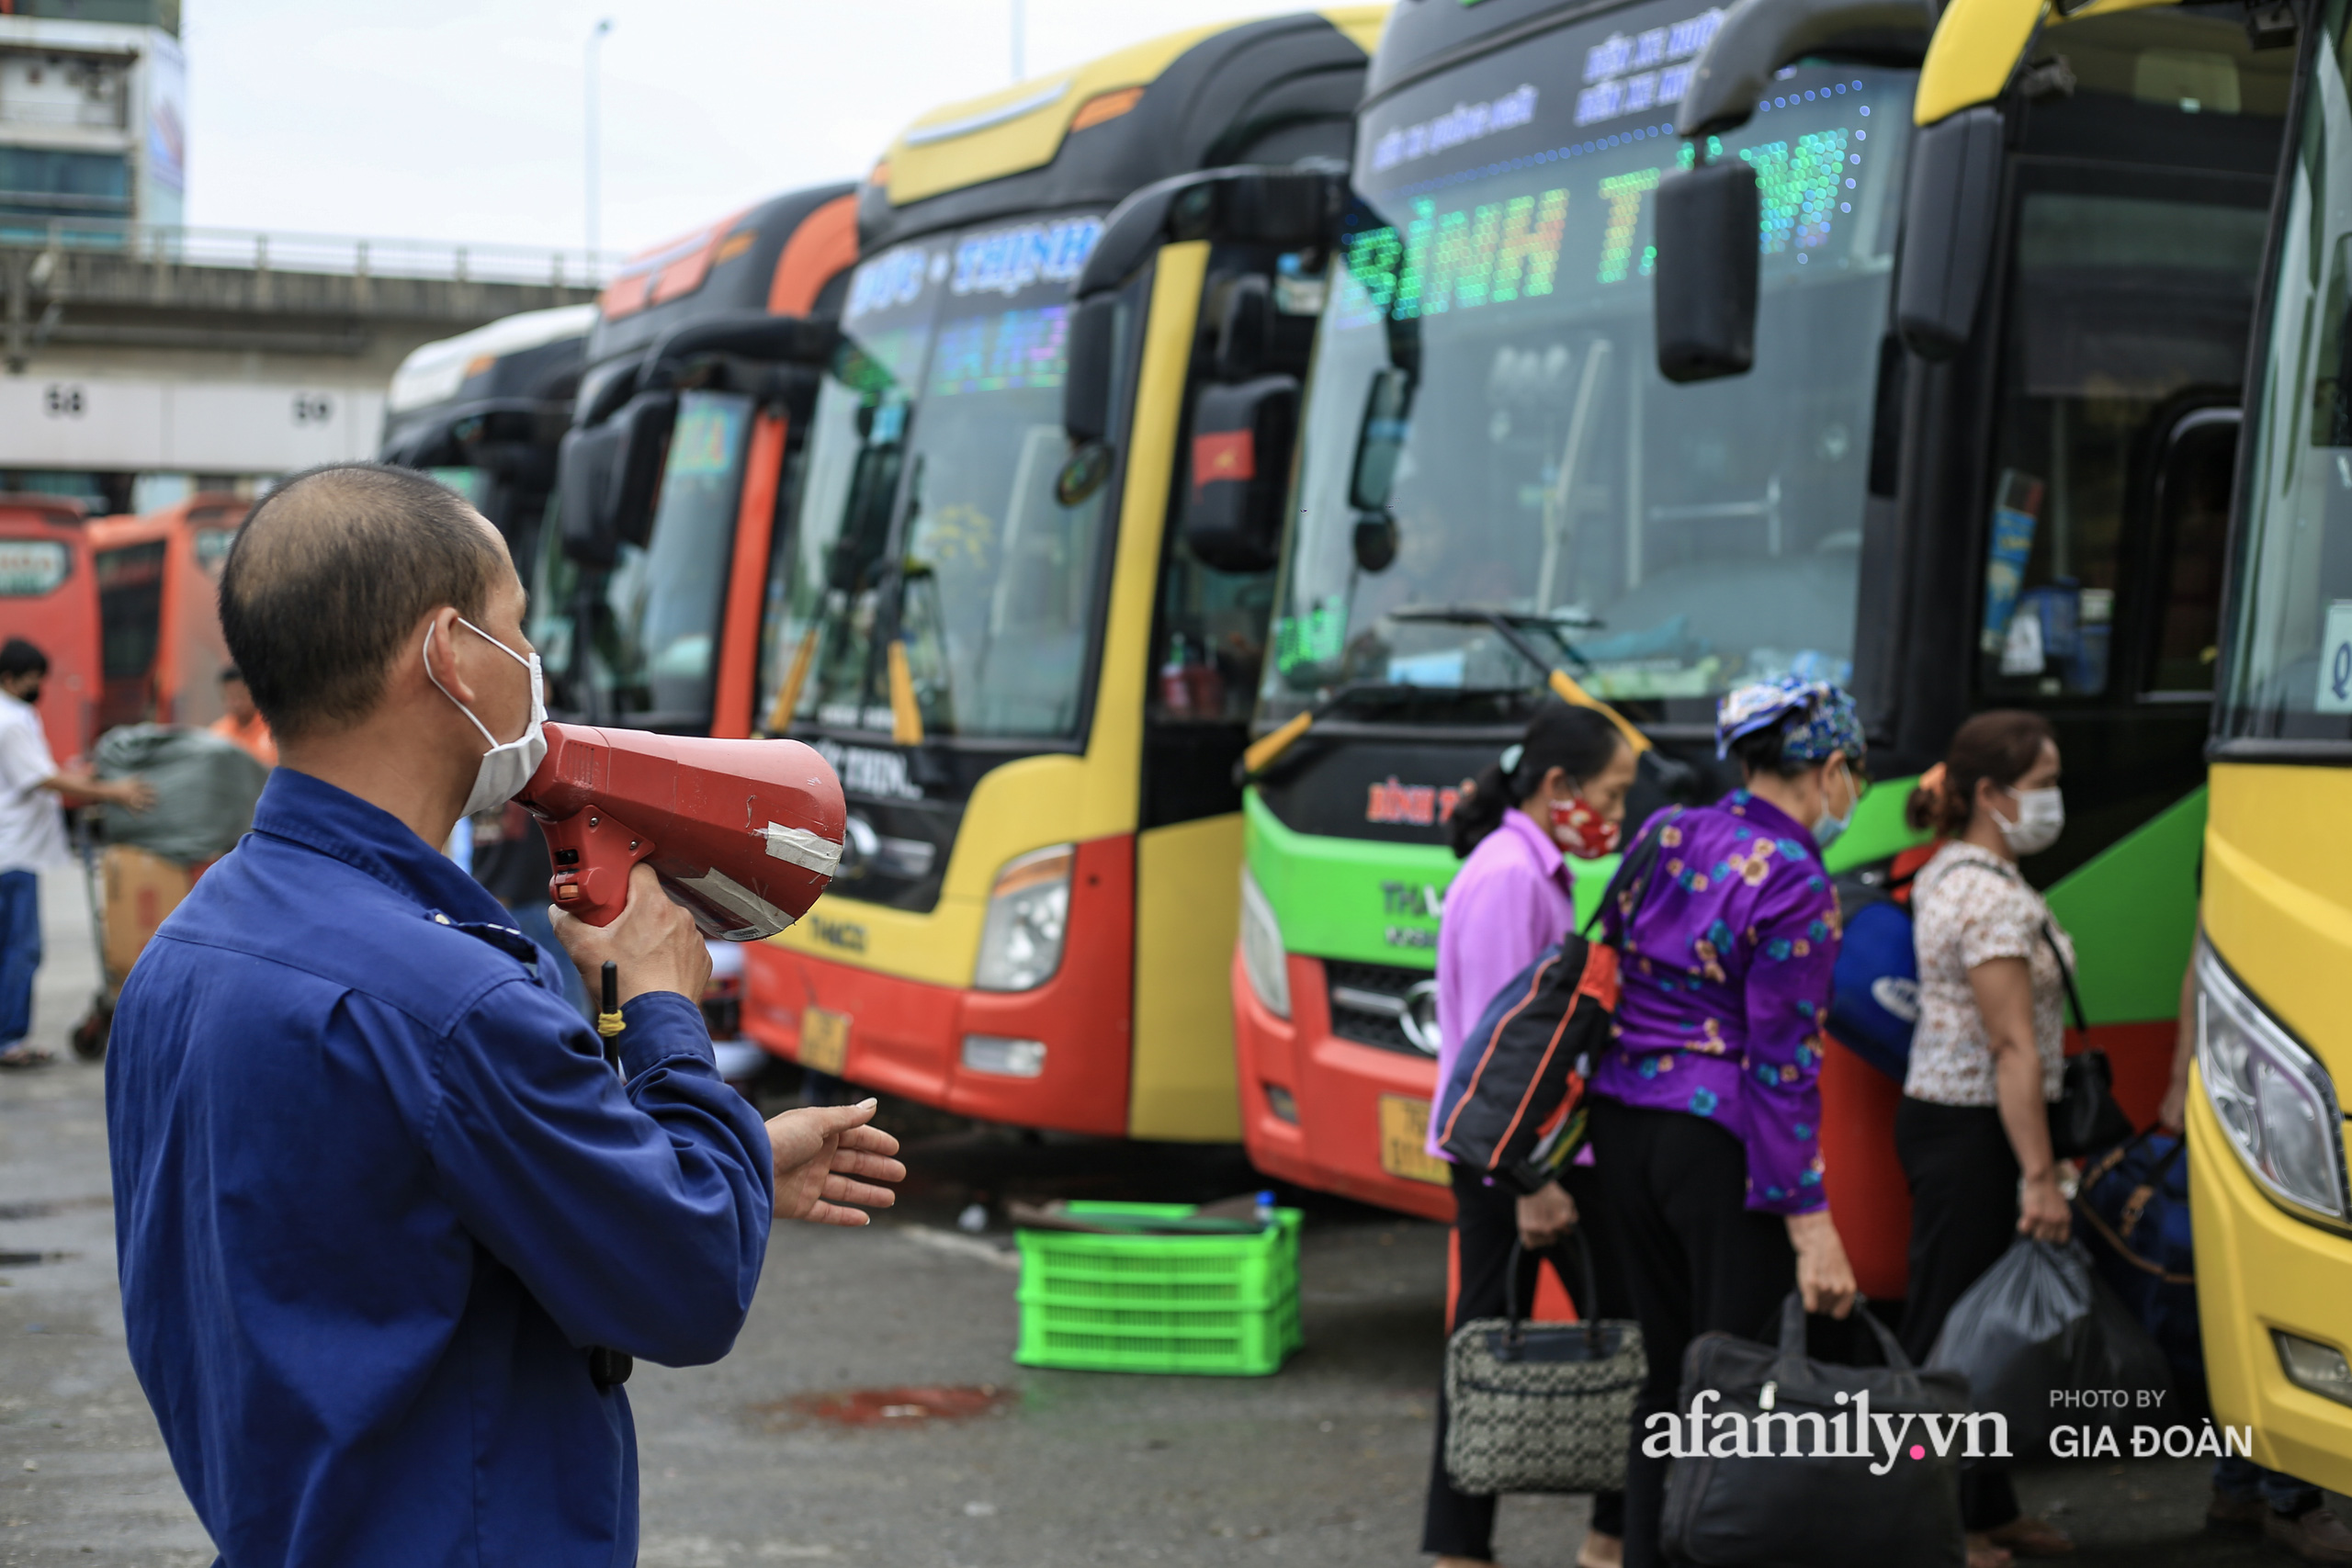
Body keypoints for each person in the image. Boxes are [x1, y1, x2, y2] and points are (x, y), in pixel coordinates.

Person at [105, 463, 903, 1567]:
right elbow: (687, 1285)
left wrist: (726, 1164)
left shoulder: (185, 954)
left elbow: (370, 1231)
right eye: (516, 628)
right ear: (449, 655)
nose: (533, 664)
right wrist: (663, 1002)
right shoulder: (453, 1002)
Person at [1588, 675, 1861, 1568]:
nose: (1850, 790)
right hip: (1716, 1146)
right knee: (1736, 1384)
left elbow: (1599, 960)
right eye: (1850, 771)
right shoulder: (1796, 882)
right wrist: (1811, 1221)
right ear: (1826, 769)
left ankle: (1641, 1556)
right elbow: (1782, 1065)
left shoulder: (1665, 831)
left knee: (1664, 1373)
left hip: (1621, 1126)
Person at [1423, 700, 1640, 1568]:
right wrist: (1530, 1183)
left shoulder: (1528, 868)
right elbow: (1499, 1050)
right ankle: (1603, 1539)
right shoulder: (1510, 876)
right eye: (1612, 795)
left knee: (1484, 1343)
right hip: (1521, 1161)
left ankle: (1469, 1547)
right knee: (1618, 1338)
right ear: (1560, 787)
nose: (1617, 818)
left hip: (1523, 1156)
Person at [1895, 710, 2076, 1565]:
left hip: (1965, 1123)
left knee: (1984, 1328)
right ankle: (1938, 1522)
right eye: (2043, 786)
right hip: (1974, 1132)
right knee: (1954, 1334)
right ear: (1993, 795)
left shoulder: (1963, 874)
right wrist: (2039, 1174)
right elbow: (2012, 1046)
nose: (2054, 801)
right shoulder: (1984, 895)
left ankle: (1987, 1502)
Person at [2161, 936, 2352, 1563]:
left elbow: (2205, 965)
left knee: (2249, 1294)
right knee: (2281, 1284)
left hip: (2258, 1087)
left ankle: (2241, 1485)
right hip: (2269, 1094)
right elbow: (2212, 962)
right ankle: (2288, 1495)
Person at [0, 638, 154, 1068]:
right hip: (13, 854)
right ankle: (9, 1041)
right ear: (10, 679)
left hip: (12, 850)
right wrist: (113, 792)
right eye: (33, 680)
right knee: (20, 950)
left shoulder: (13, 715)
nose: (39, 687)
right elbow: (41, 780)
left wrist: (83, 777)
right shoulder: (10, 720)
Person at [207, 664, 277, 767]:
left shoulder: (273, 728)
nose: (236, 703)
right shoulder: (218, 732)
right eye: (230, 697)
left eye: (241, 696)